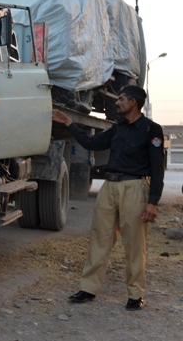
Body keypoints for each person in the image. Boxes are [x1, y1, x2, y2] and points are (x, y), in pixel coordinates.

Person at [52, 85, 164, 311]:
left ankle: (135, 294)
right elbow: (91, 143)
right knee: (99, 238)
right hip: (109, 188)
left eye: (120, 99)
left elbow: (157, 168)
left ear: (133, 102)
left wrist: (153, 202)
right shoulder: (118, 128)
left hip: (135, 188)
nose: (116, 102)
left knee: (134, 243)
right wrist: (68, 123)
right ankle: (89, 289)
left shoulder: (151, 129)